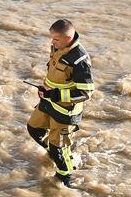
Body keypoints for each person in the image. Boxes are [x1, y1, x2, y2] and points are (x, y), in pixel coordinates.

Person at [26, 19, 94, 187]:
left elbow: (86, 93)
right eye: (52, 38)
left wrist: (55, 94)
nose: (52, 42)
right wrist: (44, 89)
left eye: (56, 39)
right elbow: (54, 74)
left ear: (68, 38)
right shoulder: (58, 47)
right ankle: (58, 152)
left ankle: (65, 176)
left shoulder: (80, 61)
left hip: (65, 111)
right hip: (48, 102)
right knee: (34, 129)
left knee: (58, 149)